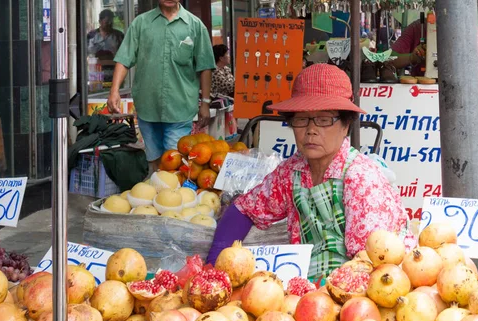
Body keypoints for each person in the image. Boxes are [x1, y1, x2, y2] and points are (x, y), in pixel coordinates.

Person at [206, 64, 416, 280]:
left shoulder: (361, 178)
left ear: (345, 126)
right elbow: (244, 210)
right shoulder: (292, 171)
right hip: (309, 285)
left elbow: (368, 264)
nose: (311, 130)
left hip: (364, 286)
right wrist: (212, 270)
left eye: (324, 120)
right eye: (301, 119)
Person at [107, 0, 215, 170]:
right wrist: (114, 91)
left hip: (180, 107)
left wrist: (206, 103)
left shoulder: (195, 26)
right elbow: (124, 59)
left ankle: (168, 192)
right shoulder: (141, 23)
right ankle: (158, 191)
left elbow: (205, 67)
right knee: (154, 162)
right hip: (147, 107)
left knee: (172, 164)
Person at [391, 18, 478, 79]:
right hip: (421, 95)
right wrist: (411, 58)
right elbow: (389, 59)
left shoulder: (473, 33)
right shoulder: (418, 28)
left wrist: (461, 71)